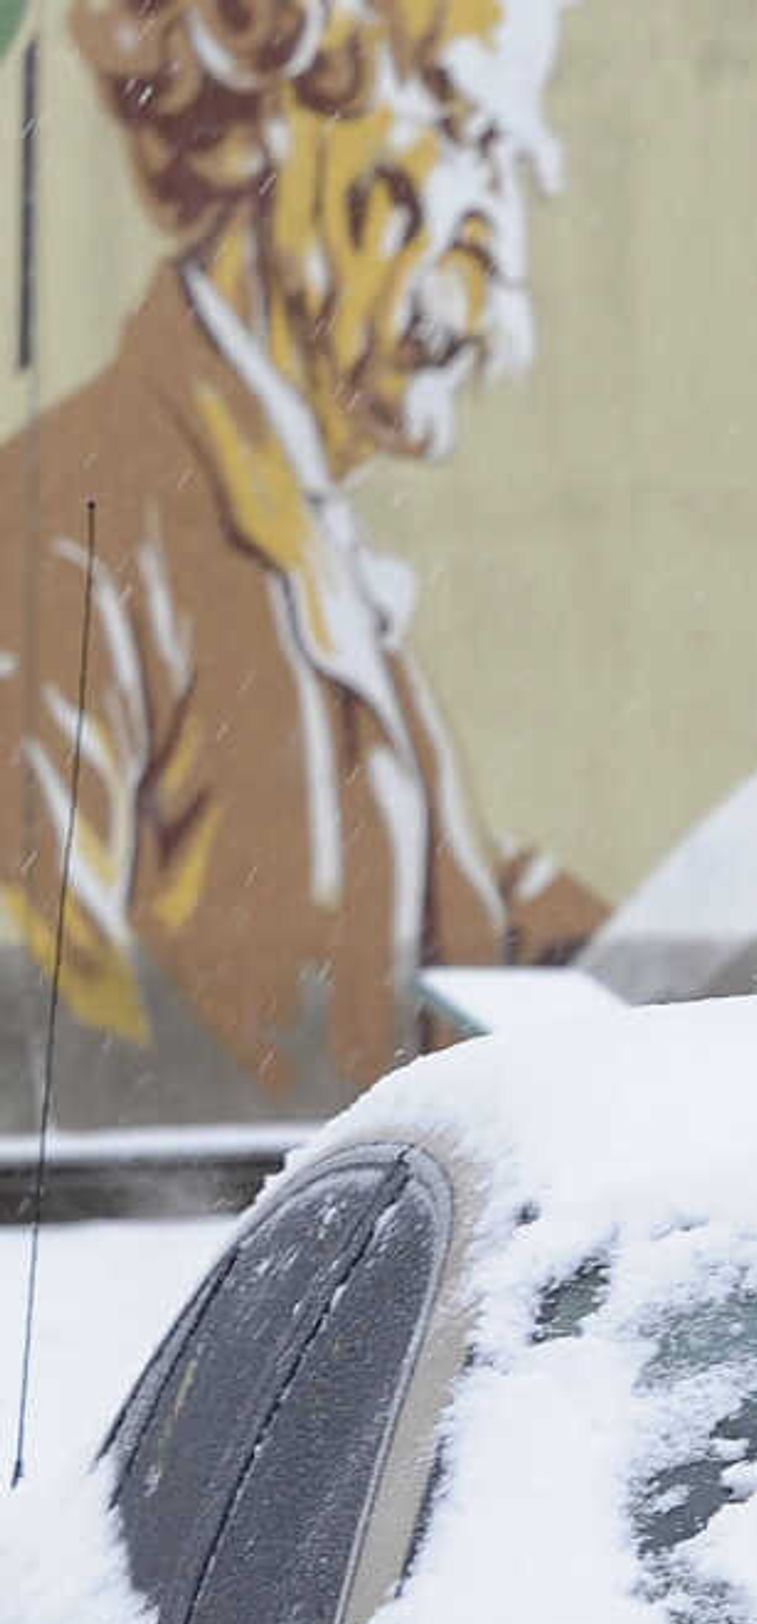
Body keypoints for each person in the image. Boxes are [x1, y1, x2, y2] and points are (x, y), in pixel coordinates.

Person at [0, 0, 605, 1118]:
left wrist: (603, 960)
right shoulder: (73, 522)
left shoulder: (299, 526)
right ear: (279, 120)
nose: (497, 247)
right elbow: (66, 993)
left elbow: (402, 893)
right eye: (467, 138)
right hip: (210, 1235)